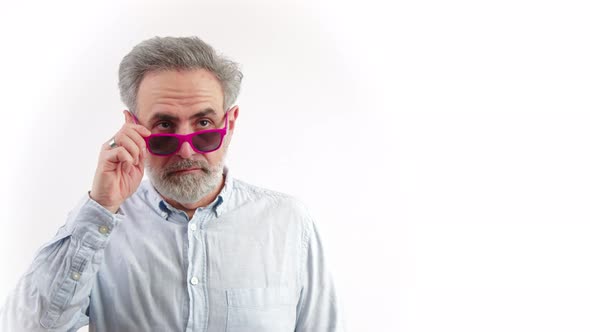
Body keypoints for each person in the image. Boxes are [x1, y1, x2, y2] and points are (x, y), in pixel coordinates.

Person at [0, 36, 343, 331]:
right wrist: (101, 207)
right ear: (133, 126)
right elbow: (25, 325)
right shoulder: (99, 231)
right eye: (164, 127)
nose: (185, 148)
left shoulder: (287, 223)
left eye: (204, 123)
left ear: (231, 122)